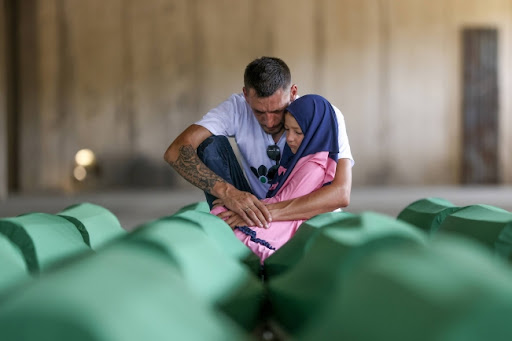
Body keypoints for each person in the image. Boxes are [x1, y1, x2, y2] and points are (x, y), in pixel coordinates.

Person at [164, 57, 353, 228]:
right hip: (251, 204)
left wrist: (268, 213)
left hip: (302, 211)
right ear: (246, 95)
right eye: (259, 112)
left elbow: (341, 193)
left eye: (278, 111)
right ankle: (233, 227)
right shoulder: (236, 108)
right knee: (210, 145)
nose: (270, 122)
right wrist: (228, 193)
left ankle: (243, 225)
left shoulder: (324, 116)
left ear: (293, 92)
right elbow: (175, 151)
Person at [211, 94, 339, 261]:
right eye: (287, 130)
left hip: (286, 219)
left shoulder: (315, 165)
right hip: (275, 211)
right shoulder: (298, 156)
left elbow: (283, 201)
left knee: (231, 230)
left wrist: (242, 210)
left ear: (315, 132)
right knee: (221, 212)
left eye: (298, 132)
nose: (290, 138)